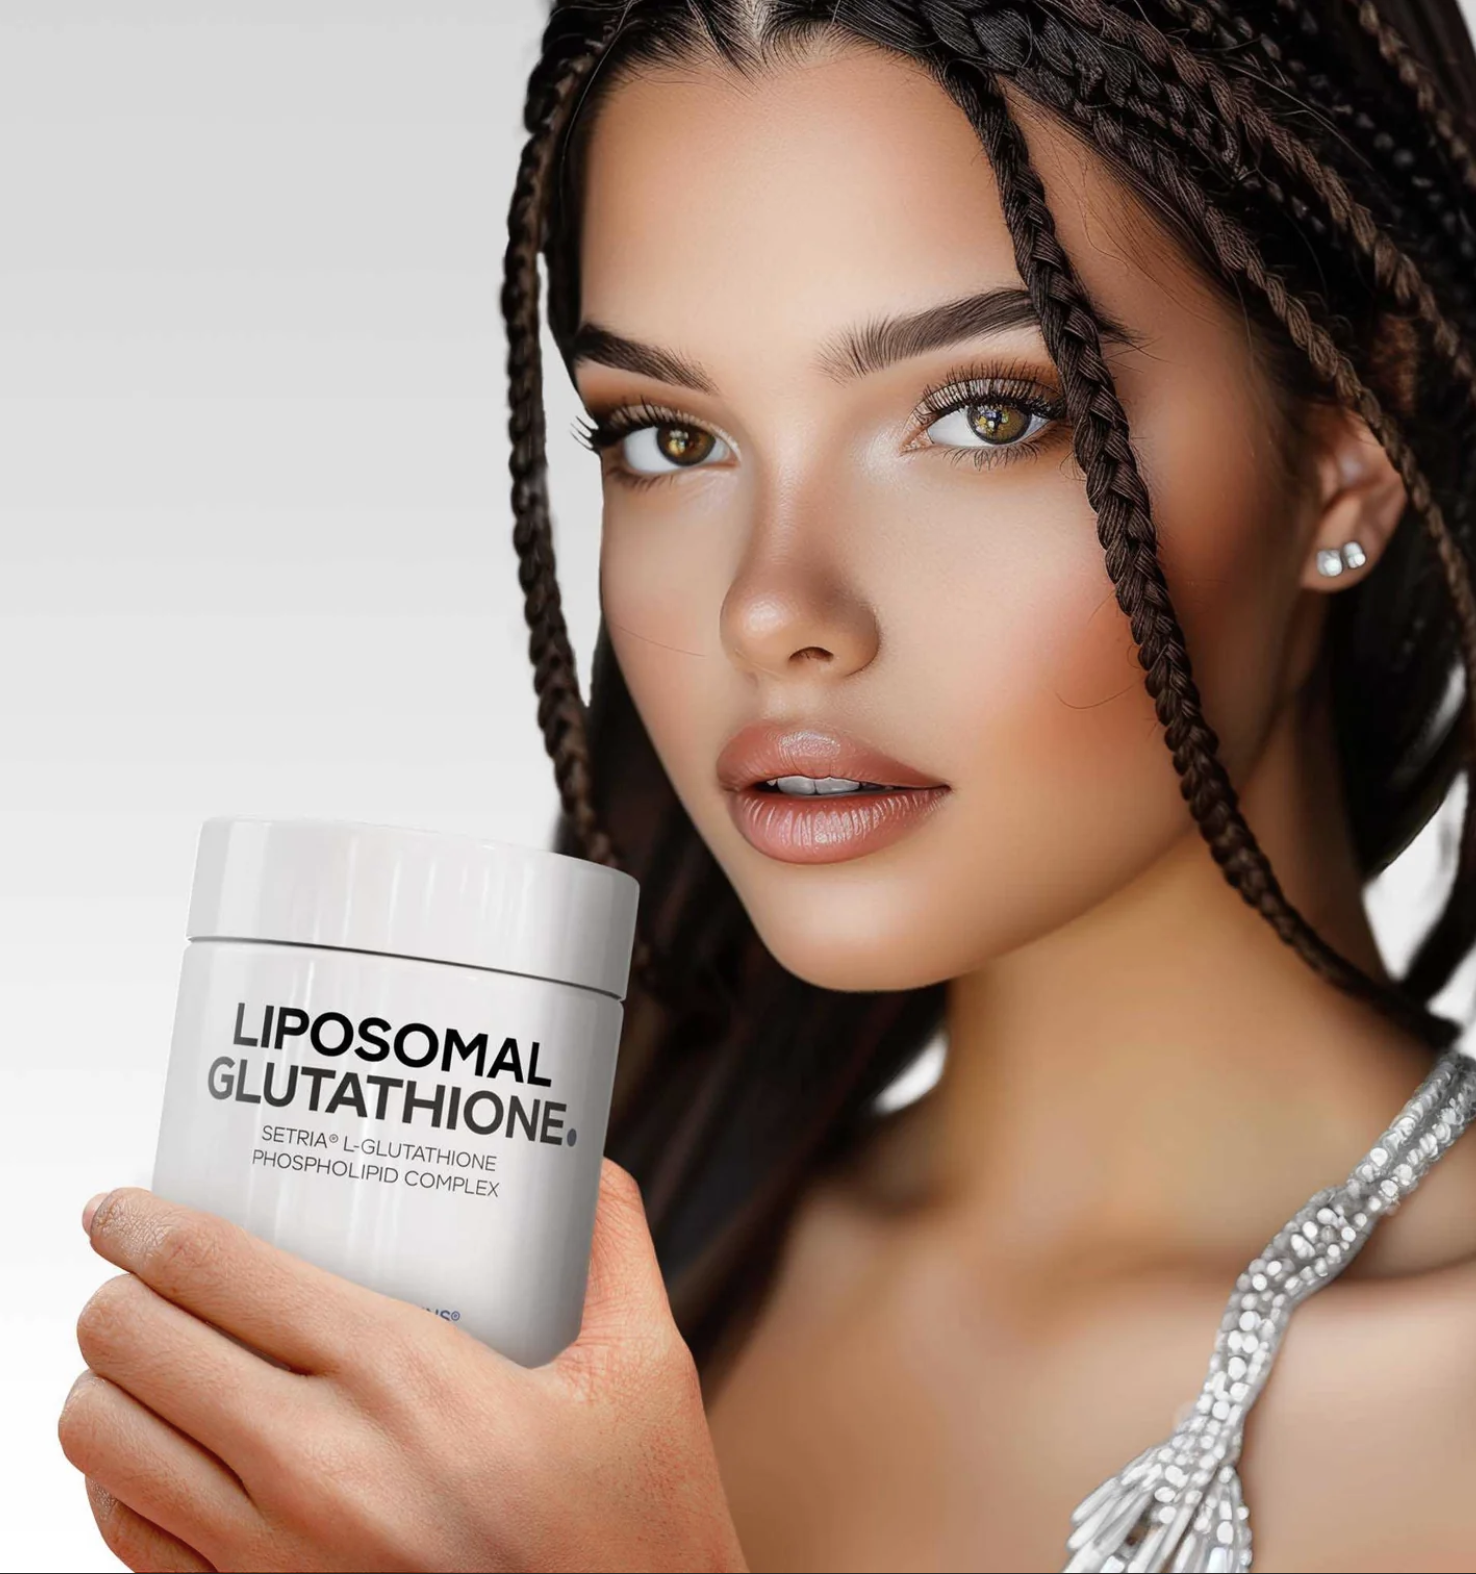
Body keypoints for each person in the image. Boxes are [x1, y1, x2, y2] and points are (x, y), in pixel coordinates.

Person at [57, 2, 1476, 1570]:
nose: (768, 605)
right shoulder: (548, 1313)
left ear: (1353, 450)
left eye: (983, 412)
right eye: (669, 437)